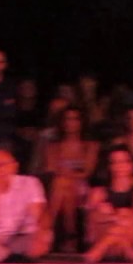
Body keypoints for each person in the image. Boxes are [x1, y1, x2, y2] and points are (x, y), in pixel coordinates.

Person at [42, 107, 99, 253]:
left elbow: (87, 172)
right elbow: (50, 169)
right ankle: (71, 237)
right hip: (59, 186)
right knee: (62, 185)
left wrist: (68, 175)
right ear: (62, 122)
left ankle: (47, 231)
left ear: (81, 122)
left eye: (75, 119)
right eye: (67, 119)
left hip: (81, 186)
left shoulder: (90, 145)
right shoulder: (53, 146)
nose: (71, 123)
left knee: (62, 184)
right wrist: (69, 175)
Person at [83, 146, 133, 263]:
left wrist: (118, 216)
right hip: (101, 235)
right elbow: (90, 222)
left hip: (127, 236)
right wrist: (114, 217)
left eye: (124, 161)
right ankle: (130, 252)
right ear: (110, 167)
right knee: (111, 213)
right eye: (115, 162)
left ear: (132, 165)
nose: (120, 166)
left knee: (127, 214)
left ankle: (100, 249)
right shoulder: (99, 192)